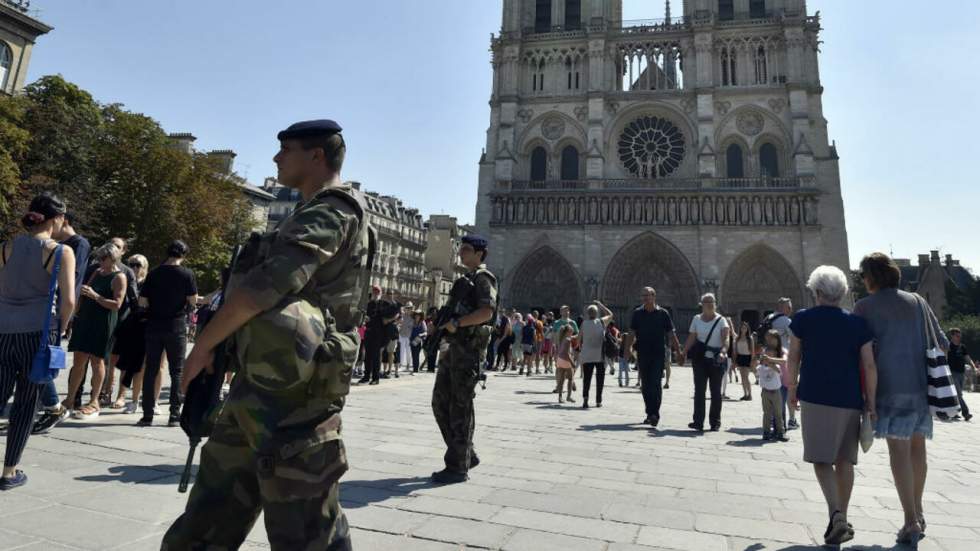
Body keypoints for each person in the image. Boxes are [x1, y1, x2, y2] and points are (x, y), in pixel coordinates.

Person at [164, 119, 371, 549]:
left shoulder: (332, 211)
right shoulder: (311, 210)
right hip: (263, 384)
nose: (276, 158)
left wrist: (203, 346)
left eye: (286, 150)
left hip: (297, 399)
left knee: (308, 531)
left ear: (316, 156)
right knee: (208, 517)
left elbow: (266, 287)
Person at [853, 253, 945, 544]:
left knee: (899, 454)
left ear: (870, 277)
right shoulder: (918, 301)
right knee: (918, 450)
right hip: (920, 387)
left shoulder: (863, 306)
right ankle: (918, 510)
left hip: (888, 388)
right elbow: (941, 342)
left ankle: (910, 521)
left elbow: (857, 351)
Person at [787, 265, 877, 546]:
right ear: (842, 293)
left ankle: (836, 514)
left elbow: (793, 358)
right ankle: (840, 516)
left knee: (821, 459)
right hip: (849, 399)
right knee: (844, 460)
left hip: (814, 395)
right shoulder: (858, 324)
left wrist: (791, 390)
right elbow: (870, 365)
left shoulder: (803, 319)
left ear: (816, 292)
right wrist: (871, 402)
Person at [0, 193, 77, 491]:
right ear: (56, 218)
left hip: (3, 331)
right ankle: (9, 472)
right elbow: (68, 299)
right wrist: (64, 326)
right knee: (26, 404)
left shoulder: (6, 247)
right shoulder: (60, 251)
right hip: (37, 335)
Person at [430, 234, 497, 484]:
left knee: (460, 406)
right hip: (453, 350)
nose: (461, 253)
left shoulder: (483, 278)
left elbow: (486, 312)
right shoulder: (465, 280)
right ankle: (465, 452)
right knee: (439, 403)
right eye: (461, 249)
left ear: (480, 253)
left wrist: (457, 323)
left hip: (468, 351)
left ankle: (458, 466)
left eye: (467, 249)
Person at [30, 211, 89, 434]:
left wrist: (66, 317)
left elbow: (72, 279)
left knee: (39, 360)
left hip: (54, 311)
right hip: (46, 309)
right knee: (33, 360)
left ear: (63, 219)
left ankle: (53, 406)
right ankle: (43, 405)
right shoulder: (58, 245)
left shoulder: (77, 245)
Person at [136, 239, 198, 427]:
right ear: (184, 254)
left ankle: (147, 414)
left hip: (154, 325)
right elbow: (193, 300)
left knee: (151, 370)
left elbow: (142, 301)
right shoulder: (187, 274)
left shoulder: (154, 273)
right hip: (176, 325)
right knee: (176, 371)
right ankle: (174, 414)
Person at [62, 243, 126, 420]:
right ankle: (70, 398)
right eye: (99, 258)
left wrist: (95, 296)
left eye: (102, 258)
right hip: (85, 319)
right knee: (78, 360)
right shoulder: (98, 272)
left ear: (112, 258)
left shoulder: (119, 277)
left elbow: (117, 304)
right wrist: (74, 316)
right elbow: (83, 294)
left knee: (97, 362)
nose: (99, 261)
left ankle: (94, 401)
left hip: (103, 322)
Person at [631, 288, 680, 427]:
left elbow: (671, 334)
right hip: (643, 353)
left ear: (654, 296)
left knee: (656, 383)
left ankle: (654, 414)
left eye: (648, 295)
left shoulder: (663, 313)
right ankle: (649, 412)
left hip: (658, 354)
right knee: (645, 385)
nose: (645, 298)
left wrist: (678, 351)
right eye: (643, 295)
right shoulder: (637, 313)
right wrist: (627, 350)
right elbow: (631, 332)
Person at [682, 293, 730, 432]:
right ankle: (698, 421)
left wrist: (723, 351)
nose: (709, 304)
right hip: (700, 360)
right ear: (701, 305)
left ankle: (715, 422)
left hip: (716, 360)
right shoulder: (696, 319)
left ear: (715, 304)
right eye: (706, 302)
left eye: (711, 302)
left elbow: (726, 338)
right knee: (699, 391)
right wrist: (684, 352)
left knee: (715, 392)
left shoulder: (722, 320)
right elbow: (692, 337)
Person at [579, 302, 613, 408]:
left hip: (587, 355)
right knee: (600, 379)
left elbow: (579, 339)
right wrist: (601, 305)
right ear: (597, 313)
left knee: (587, 379)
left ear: (588, 313)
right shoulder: (601, 322)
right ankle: (598, 400)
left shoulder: (584, 324)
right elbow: (611, 314)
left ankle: (585, 399)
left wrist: (581, 349)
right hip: (599, 356)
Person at [360, 286, 396, 385]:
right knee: (367, 356)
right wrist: (364, 319)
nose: (375, 294)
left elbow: (395, 313)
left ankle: (375, 378)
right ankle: (366, 376)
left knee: (376, 356)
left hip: (379, 334)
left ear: (380, 293)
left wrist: (388, 320)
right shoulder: (369, 304)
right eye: (374, 292)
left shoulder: (383, 304)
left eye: (377, 292)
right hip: (369, 332)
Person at [757, 330, 789, 442]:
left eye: (772, 338)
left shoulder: (782, 350)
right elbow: (758, 367)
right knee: (768, 412)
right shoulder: (766, 351)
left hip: (783, 383)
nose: (769, 340)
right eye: (768, 338)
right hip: (767, 388)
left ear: (777, 339)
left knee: (780, 411)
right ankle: (769, 432)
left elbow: (784, 361)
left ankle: (780, 431)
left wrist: (769, 360)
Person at [946, 328, 975, 421]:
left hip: (961, 373)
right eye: (957, 336)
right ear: (952, 336)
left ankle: (953, 412)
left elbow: (967, 357)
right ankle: (966, 413)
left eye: (960, 336)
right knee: (958, 394)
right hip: (952, 373)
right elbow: (944, 357)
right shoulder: (948, 346)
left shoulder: (962, 347)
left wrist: (973, 366)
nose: (959, 338)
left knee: (957, 394)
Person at [734, 321, 755, 401]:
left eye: (745, 328)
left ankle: (750, 394)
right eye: (742, 328)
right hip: (740, 357)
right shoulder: (737, 338)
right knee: (742, 377)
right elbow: (735, 350)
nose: (743, 329)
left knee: (746, 377)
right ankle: (745, 394)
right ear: (740, 329)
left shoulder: (750, 338)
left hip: (747, 357)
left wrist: (752, 361)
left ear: (747, 329)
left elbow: (752, 351)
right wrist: (735, 361)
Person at [555, 325, 576, 403]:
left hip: (560, 360)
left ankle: (560, 397)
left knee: (561, 380)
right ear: (568, 332)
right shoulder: (568, 340)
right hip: (566, 360)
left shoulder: (562, 338)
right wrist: (572, 363)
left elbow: (574, 337)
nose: (573, 331)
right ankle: (568, 397)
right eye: (571, 330)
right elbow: (567, 353)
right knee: (570, 379)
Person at [398, 301, 415, 375]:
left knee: (408, 352)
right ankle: (400, 365)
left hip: (409, 336)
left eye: (410, 308)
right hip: (402, 335)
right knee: (401, 351)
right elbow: (399, 324)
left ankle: (408, 365)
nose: (409, 309)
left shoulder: (413, 317)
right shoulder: (402, 315)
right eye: (407, 308)